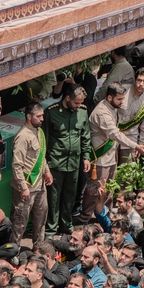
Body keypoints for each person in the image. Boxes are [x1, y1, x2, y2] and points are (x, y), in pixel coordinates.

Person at [78, 82, 144, 223]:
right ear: (110, 97)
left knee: (109, 191)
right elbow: (114, 134)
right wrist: (135, 146)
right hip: (100, 160)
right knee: (95, 191)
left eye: (123, 98)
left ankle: (104, 219)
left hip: (110, 158)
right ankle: (86, 219)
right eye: (119, 99)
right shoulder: (102, 112)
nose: (122, 102)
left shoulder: (112, 107)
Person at [43, 84, 91, 235]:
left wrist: (86, 157)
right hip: (55, 163)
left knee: (70, 196)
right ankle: (51, 229)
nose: (78, 106)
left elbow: (85, 136)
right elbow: (44, 139)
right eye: (76, 103)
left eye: (80, 103)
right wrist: (45, 165)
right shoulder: (51, 112)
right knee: (53, 198)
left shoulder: (82, 112)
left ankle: (66, 225)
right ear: (68, 98)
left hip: (74, 163)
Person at [11, 102, 53, 245]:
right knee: (20, 221)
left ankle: (38, 248)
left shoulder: (39, 131)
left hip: (40, 184)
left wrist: (46, 171)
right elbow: (17, 165)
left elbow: (40, 156)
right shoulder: (22, 136)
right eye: (38, 116)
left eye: (42, 115)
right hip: (26, 186)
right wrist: (23, 187)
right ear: (29, 116)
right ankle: (14, 251)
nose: (42, 119)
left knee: (41, 218)